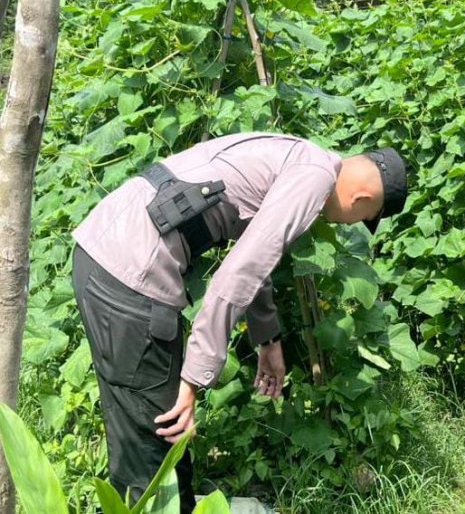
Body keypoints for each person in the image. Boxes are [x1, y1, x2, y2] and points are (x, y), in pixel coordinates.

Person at [71, 132, 407, 510]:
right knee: (153, 446)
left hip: (106, 252)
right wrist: (193, 380)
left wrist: (268, 339)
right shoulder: (314, 180)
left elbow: (254, 245)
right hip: (130, 276)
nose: (350, 224)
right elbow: (237, 273)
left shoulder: (301, 156)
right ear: (362, 201)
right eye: (361, 219)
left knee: (149, 435)